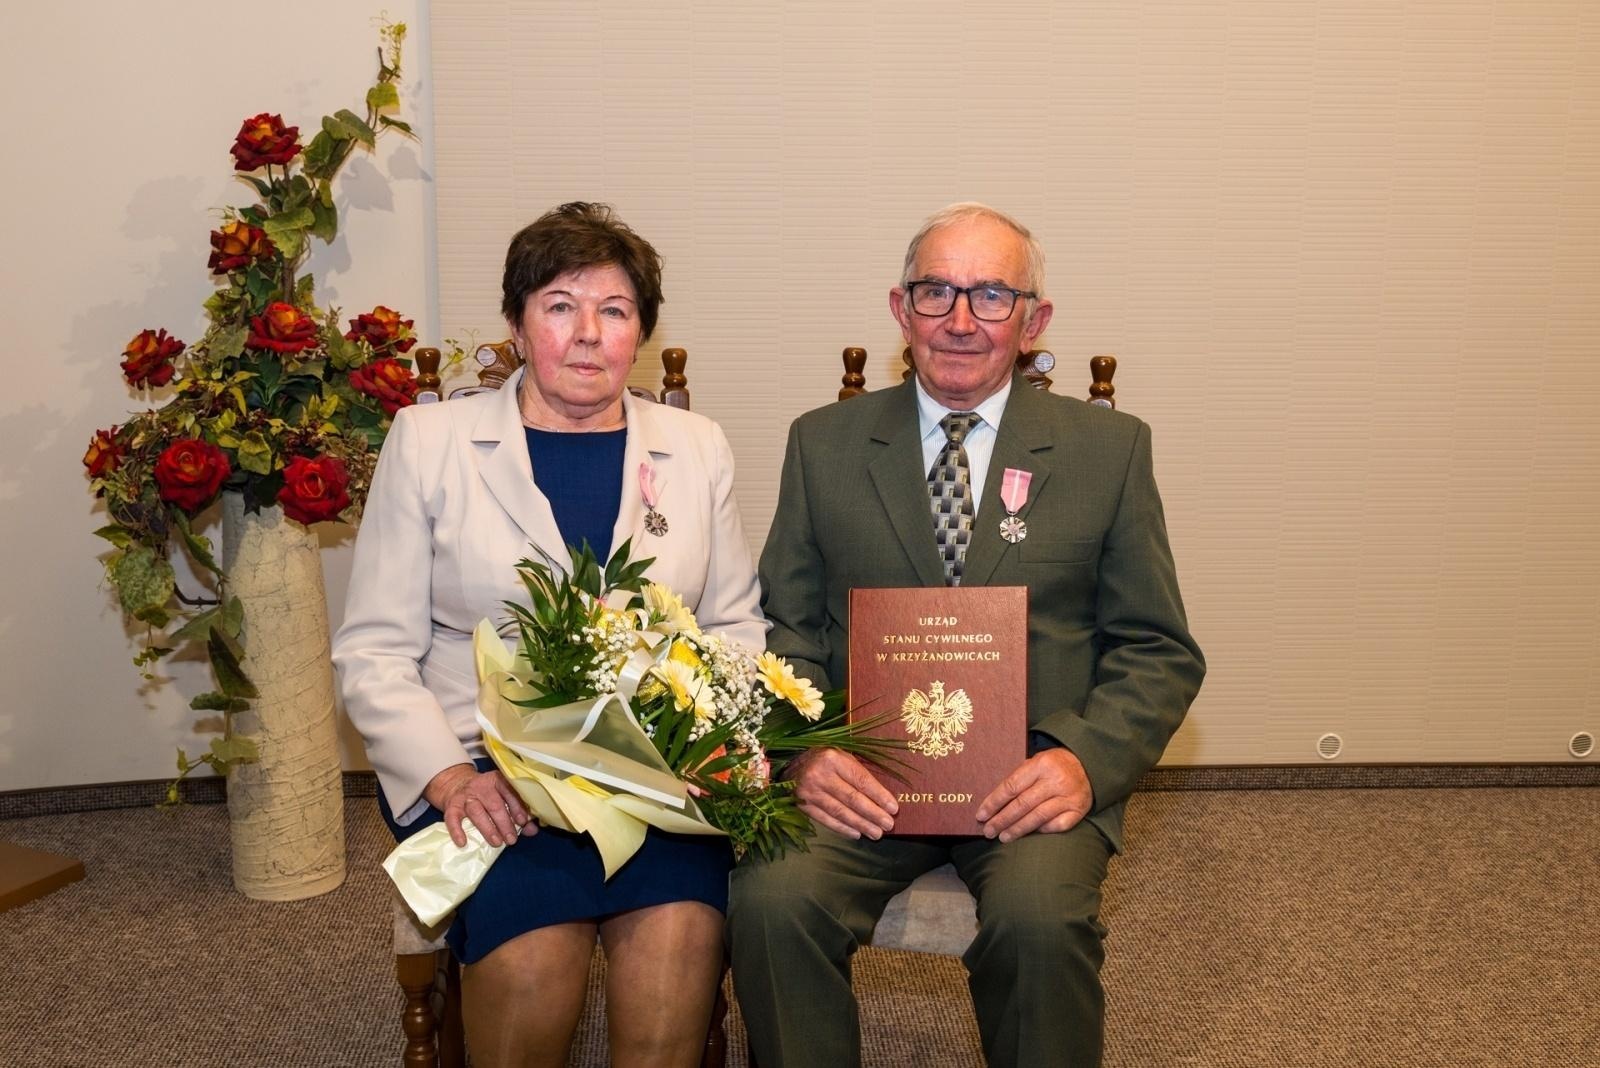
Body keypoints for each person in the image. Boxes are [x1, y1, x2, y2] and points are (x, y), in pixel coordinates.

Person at [727, 203, 1205, 1067]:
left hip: (1028, 780)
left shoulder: (1110, 451)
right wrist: (805, 751)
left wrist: (1081, 762)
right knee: (769, 898)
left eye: (990, 295)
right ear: (898, 310)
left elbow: (1158, 649)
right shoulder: (823, 445)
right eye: (935, 291)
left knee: (1038, 921)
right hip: (861, 773)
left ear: (1034, 322)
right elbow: (785, 628)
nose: (958, 320)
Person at [333, 202, 766, 1068]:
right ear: (517, 322)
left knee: (679, 946)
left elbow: (733, 625)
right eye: (560, 305)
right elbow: (374, 650)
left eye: (614, 310)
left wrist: (712, 747)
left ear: (640, 331)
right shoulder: (430, 442)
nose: (586, 334)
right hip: (489, 776)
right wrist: (451, 778)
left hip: (653, 775)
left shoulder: (695, 446)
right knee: (536, 965)